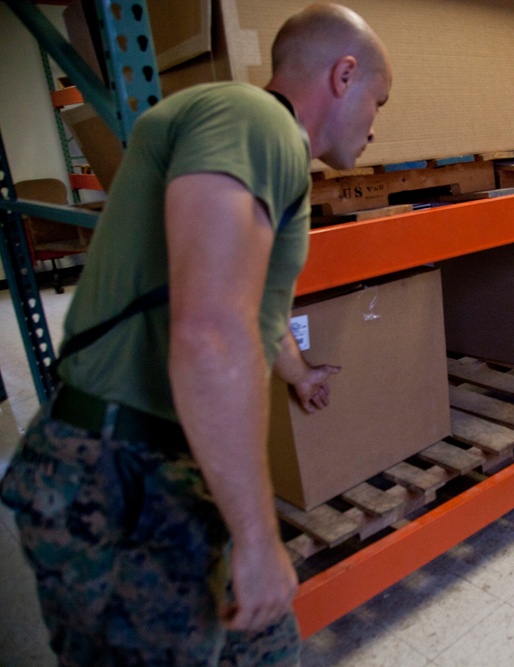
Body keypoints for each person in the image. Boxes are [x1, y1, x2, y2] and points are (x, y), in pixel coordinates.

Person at [0, 3, 392, 665]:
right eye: (379, 102)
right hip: (116, 481)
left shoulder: (265, 151)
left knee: (269, 650)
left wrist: (298, 375)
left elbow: (249, 308)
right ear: (343, 75)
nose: (377, 127)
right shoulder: (257, 119)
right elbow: (211, 331)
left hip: (172, 471)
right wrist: (260, 539)